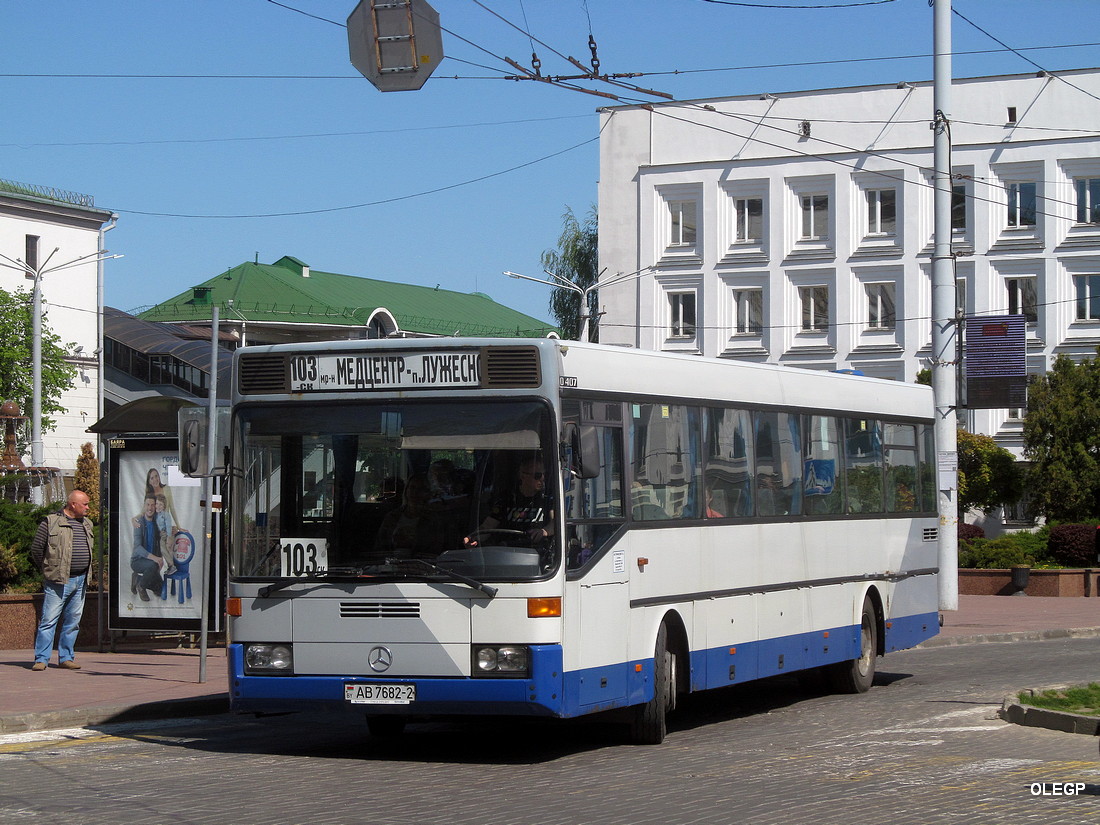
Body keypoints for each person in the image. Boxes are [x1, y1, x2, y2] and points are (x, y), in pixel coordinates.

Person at [30, 490, 94, 671]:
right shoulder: (51, 522)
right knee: (49, 620)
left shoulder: (87, 524)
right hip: (58, 581)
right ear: (73, 504)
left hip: (80, 580)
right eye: (85, 504)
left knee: (73, 622)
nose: (88, 508)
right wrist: (47, 569)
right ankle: (41, 659)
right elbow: (36, 549)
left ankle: (66, 657)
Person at [466, 457, 554, 547]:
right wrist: (473, 538)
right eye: (538, 475)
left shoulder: (547, 499)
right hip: (508, 552)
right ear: (523, 476)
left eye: (544, 474)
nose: (542, 479)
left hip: (537, 552)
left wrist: (544, 531)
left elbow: (555, 522)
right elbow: (488, 525)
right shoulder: (507, 498)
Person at [375, 475, 445, 559]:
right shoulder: (392, 516)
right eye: (412, 488)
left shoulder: (434, 520)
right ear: (406, 490)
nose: (415, 492)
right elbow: (380, 546)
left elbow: (436, 550)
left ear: (428, 493)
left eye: (420, 489)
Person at [131, 495, 170, 601]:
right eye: (148, 504)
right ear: (144, 506)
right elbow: (137, 547)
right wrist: (154, 558)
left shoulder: (157, 522)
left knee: (160, 589)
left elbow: (166, 529)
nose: (150, 507)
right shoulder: (139, 522)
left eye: (153, 505)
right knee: (153, 564)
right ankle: (141, 586)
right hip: (138, 561)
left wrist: (175, 529)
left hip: (153, 563)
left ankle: (137, 579)